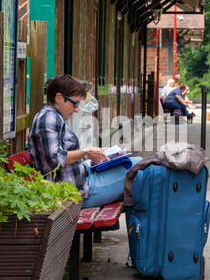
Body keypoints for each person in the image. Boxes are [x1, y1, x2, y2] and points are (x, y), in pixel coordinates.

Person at [27, 74, 142, 208]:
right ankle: (140, 226)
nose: (76, 110)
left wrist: (94, 156)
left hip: (81, 178)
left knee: (135, 163)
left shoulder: (52, 116)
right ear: (59, 98)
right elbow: (55, 158)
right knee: (139, 167)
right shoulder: (49, 118)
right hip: (75, 193)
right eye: (74, 103)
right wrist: (85, 153)